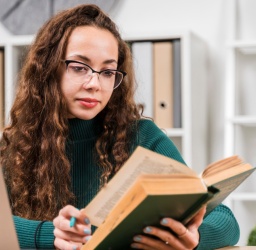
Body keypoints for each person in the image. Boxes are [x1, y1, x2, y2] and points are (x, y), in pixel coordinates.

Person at [0, 4, 239, 250]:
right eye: (80, 67)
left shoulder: (142, 137)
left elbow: (225, 220)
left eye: (108, 71)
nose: (94, 84)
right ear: (47, 69)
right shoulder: (16, 145)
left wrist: (195, 238)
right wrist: (48, 235)